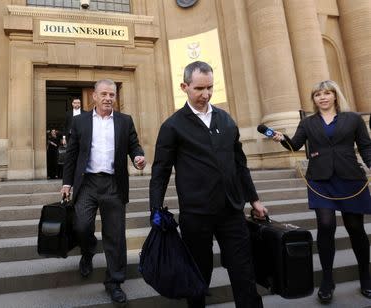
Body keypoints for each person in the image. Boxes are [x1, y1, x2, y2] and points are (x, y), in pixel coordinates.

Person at [149, 61, 267, 308]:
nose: (206, 94)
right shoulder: (172, 125)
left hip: (232, 211)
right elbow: (160, 171)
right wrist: (155, 209)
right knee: (198, 276)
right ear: (185, 86)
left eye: (210, 88)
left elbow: (240, 164)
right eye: (199, 88)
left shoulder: (226, 120)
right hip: (196, 214)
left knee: (244, 273)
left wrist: (254, 199)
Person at [271, 80, 371, 302]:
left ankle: (366, 276)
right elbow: (294, 145)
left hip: (350, 178)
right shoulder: (308, 123)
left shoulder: (353, 119)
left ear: (335, 96)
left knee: (355, 228)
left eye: (327, 93)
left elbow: (365, 145)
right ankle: (327, 280)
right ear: (313, 99)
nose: (323, 97)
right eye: (318, 94)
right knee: (325, 226)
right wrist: (281, 139)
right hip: (320, 180)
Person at [61, 79, 146, 305]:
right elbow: (71, 155)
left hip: (113, 184)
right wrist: (66, 183)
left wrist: (138, 157)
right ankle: (88, 250)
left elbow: (134, 145)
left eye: (112, 94)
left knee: (115, 235)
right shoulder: (80, 122)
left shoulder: (125, 121)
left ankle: (114, 282)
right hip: (87, 183)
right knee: (81, 225)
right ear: (94, 97)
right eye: (104, 94)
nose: (108, 98)